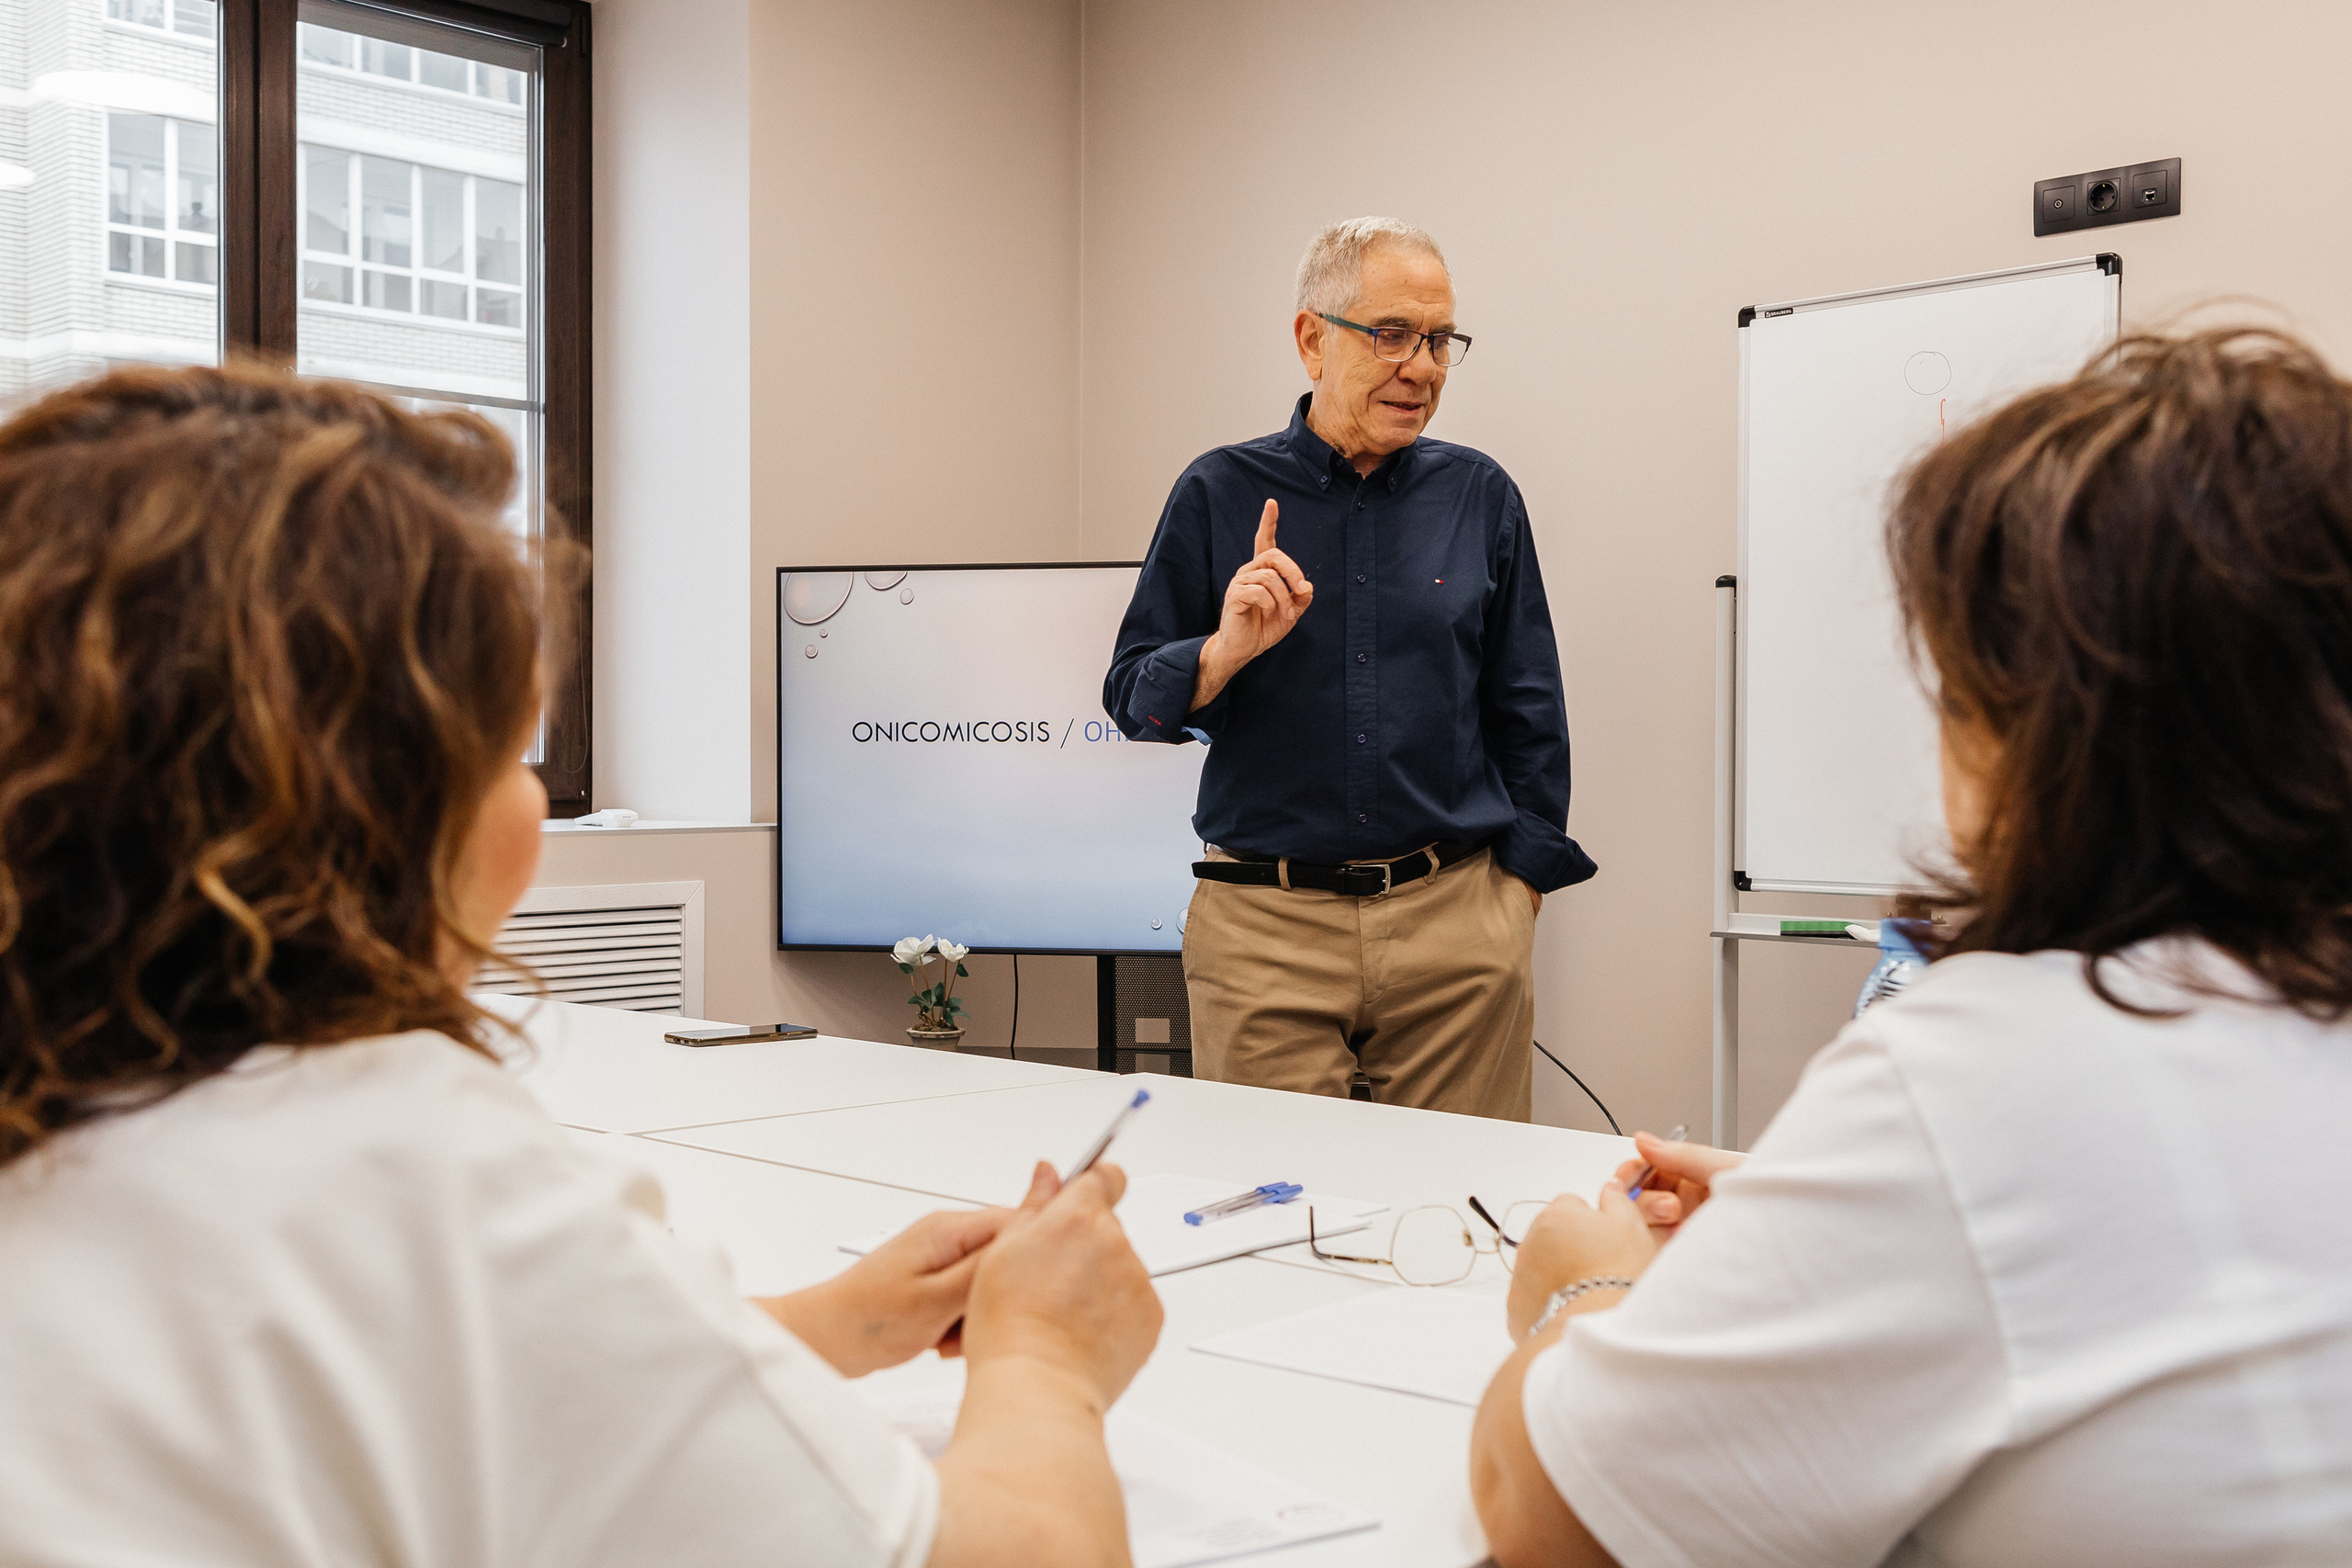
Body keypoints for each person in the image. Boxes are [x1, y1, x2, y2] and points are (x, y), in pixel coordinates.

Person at [0, 364, 1162, 1568]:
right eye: (510, 750)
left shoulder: (90, 1104)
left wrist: (831, 1324)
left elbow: (438, 1376)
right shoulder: (414, 1169)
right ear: (378, 803)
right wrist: (1046, 1359)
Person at [1468, 326, 2352, 1566]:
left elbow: (1546, 1511)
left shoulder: (1994, 1062)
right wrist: (1822, 1203)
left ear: (2033, 722)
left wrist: (1585, 1284)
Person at [1103, 217, 1596, 1121]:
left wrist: (1514, 893)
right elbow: (1132, 700)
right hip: (1266, 932)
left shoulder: (1479, 496)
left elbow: (1529, 707)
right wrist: (1223, 651)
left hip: (1454, 921)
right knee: (1275, 1209)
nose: (1422, 367)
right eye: (1392, 335)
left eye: (1440, 340)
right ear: (1310, 341)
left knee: (1462, 1212)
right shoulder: (1217, 492)